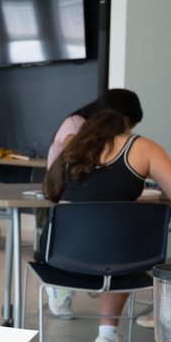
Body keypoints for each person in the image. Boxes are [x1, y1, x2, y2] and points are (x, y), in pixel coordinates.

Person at [42, 108, 171, 342]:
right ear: (125, 129)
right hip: (123, 258)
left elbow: (51, 192)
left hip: (61, 256)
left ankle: (60, 295)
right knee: (122, 244)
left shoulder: (73, 148)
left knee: (113, 244)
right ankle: (108, 336)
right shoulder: (142, 147)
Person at [42, 89, 145, 319]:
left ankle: (88, 274)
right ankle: (70, 284)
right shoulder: (76, 124)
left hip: (81, 205)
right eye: (127, 125)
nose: (126, 133)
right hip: (68, 198)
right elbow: (80, 162)